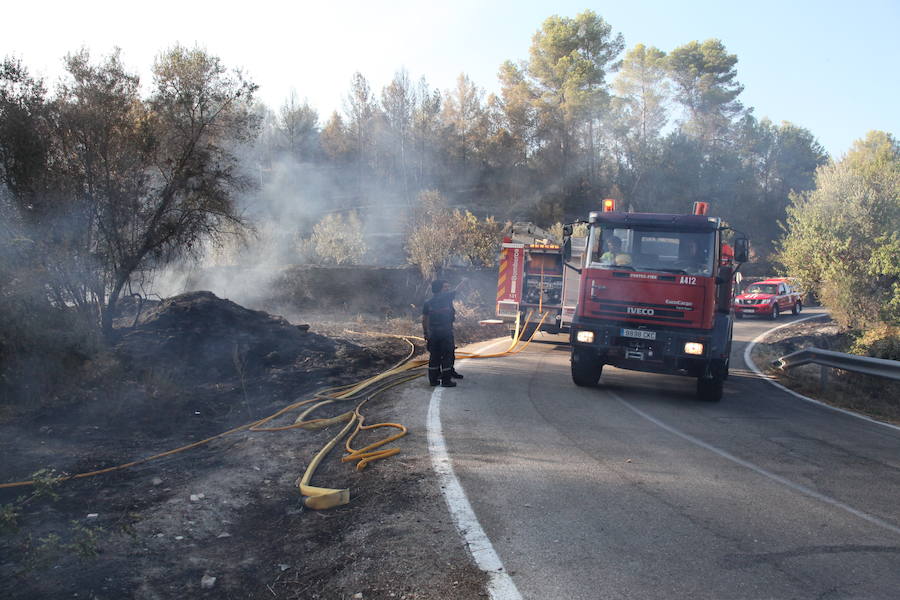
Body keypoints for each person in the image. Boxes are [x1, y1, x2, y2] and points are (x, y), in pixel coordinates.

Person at [422, 279, 465, 387]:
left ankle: (433, 380)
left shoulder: (428, 303)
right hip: (445, 333)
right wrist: (464, 281)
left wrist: (426, 333)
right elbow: (458, 290)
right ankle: (446, 381)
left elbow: (424, 320)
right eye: (445, 287)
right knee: (447, 356)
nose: (447, 289)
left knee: (434, 357)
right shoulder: (446, 298)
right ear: (440, 289)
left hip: (433, 333)